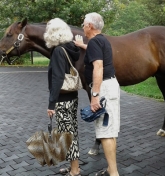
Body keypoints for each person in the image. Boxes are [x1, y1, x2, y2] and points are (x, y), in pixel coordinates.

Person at [74, 12, 120, 176]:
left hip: (103, 89)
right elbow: (97, 53)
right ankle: (110, 170)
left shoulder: (94, 42)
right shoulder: (102, 41)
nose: (83, 28)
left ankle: (114, 173)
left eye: (84, 25)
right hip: (112, 86)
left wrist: (94, 95)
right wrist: (83, 46)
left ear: (90, 26)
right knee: (111, 131)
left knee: (105, 133)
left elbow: (98, 67)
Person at [44, 18, 81, 176]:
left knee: (68, 136)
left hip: (63, 100)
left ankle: (74, 171)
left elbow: (58, 78)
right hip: (72, 97)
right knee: (72, 133)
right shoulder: (70, 47)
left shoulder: (59, 50)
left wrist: (51, 104)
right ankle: (75, 167)